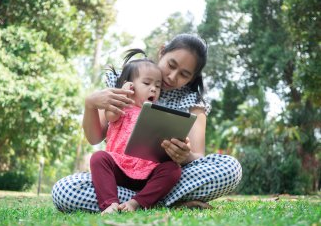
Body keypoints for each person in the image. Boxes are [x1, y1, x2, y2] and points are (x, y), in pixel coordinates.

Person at [52, 33, 242, 212]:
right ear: (162, 51)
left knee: (229, 168)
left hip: (162, 178)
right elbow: (94, 138)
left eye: (184, 74)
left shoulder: (194, 104)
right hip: (119, 176)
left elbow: (198, 157)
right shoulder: (126, 81)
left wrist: (184, 156)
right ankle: (158, 201)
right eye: (171, 64)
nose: (172, 76)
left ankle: (140, 200)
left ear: (193, 78)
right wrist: (90, 104)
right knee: (64, 190)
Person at [91, 49, 181, 215]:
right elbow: (111, 116)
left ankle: (136, 202)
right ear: (129, 85)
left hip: (148, 174)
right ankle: (110, 203)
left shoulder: (158, 113)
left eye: (158, 86)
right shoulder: (120, 107)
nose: (153, 89)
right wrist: (124, 94)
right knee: (98, 158)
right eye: (147, 84)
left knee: (173, 169)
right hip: (118, 169)